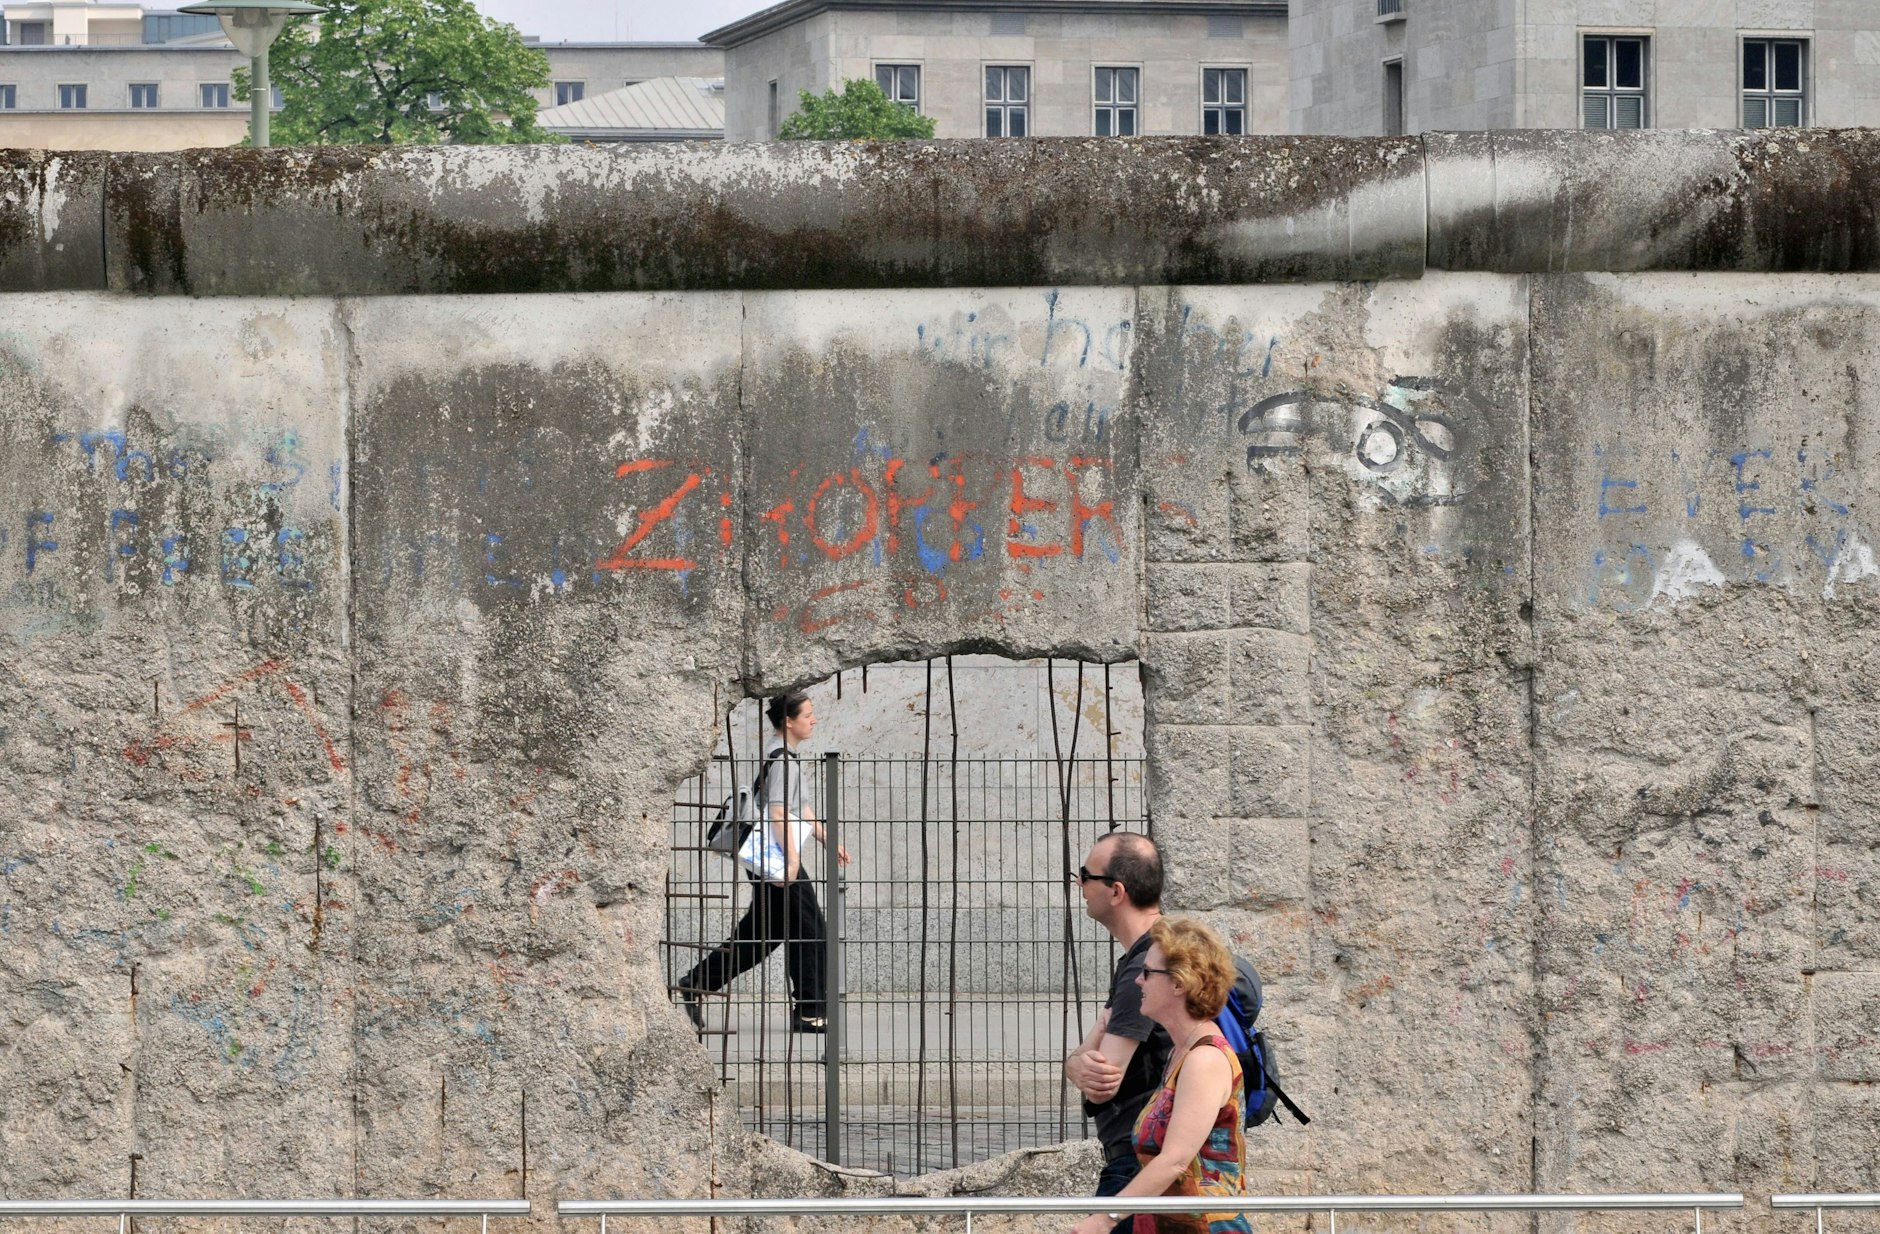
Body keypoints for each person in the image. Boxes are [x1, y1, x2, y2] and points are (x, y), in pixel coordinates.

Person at [677, 690, 851, 1034]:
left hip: (768, 858)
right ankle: (809, 1012)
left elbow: (798, 808)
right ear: (789, 721)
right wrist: (791, 861)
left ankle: (696, 982)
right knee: (811, 931)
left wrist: (828, 840)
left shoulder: (779, 754)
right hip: (777, 858)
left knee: (761, 935)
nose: (813, 720)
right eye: (807, 715)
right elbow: (777, 812)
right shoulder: (783, 760)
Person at [1069, 917, 1249, 1234]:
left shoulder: (1204, 1059)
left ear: (1179, 983)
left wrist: (1103, 1219)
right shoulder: (1179, 1053)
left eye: (1148, 972)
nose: (1138, 980)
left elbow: (1176, 1160)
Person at [1063, 832, 1172, 1228]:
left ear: (1116, 892)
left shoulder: (1147, 968)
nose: (1079, 885)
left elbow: (1100, 1080)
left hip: (1137, 1161)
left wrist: (1075, 1061)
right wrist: (1077, 1062)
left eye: (1085, 875)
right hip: (1143, 1157)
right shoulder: (1152, 953)